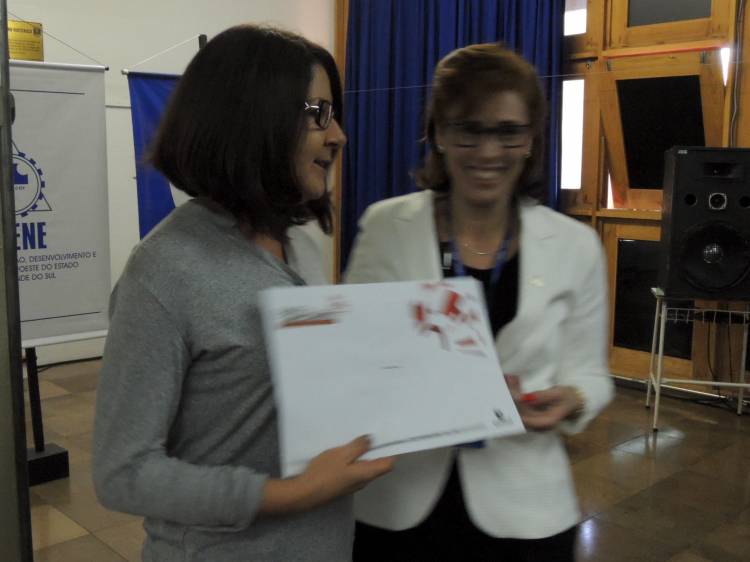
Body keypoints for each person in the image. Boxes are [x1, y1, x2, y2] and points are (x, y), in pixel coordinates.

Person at [92, 24, 392, 562]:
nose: (338, 135)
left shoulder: (299, 242)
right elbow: (123, 473)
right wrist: (294, 493)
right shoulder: (162, 271)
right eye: (319, 114)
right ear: (255, 116)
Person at [345, 43, 614, 561]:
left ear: (531, 138)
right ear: (438, 134)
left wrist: (573, 399)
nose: (488, 152)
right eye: (468, 129)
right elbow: (356, 362)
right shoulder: (386, 227)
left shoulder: (575, 246)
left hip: (526, 509)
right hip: (398, 503)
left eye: (508, 131)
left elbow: (592, 375)